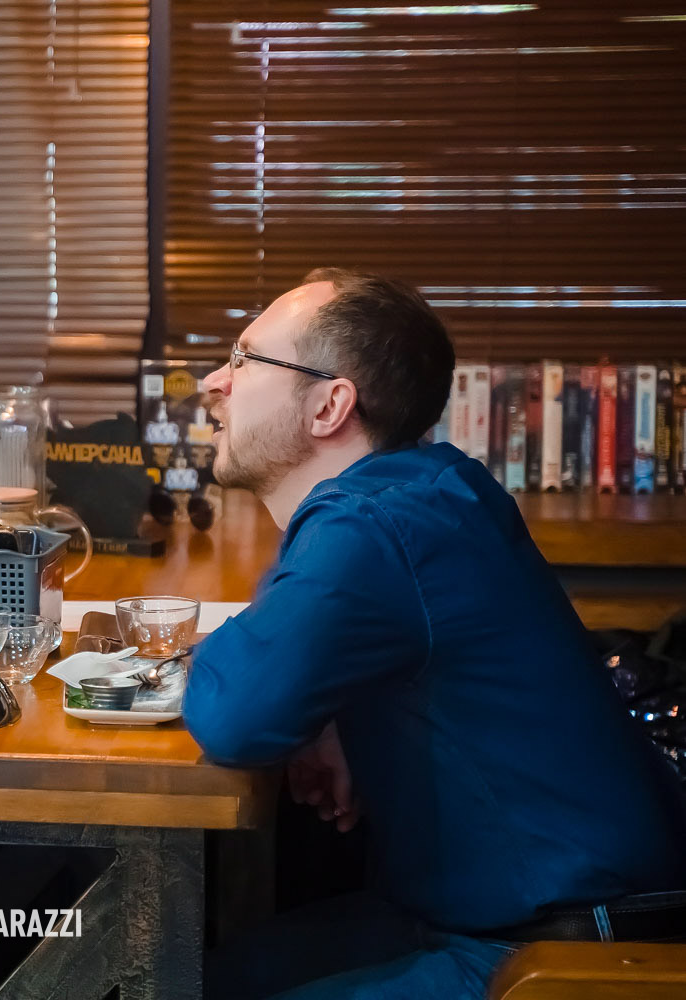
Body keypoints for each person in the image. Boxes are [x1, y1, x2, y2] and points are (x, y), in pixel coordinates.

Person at [183, 269, 686, 1000]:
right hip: (507, 913)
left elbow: (235, 717)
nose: (213, 382)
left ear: (329, 406)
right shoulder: (429, 488)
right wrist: (335, 712)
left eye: (244, 359)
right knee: (200, 975)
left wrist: (249, 675)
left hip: (559, 957)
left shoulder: (372, 526)